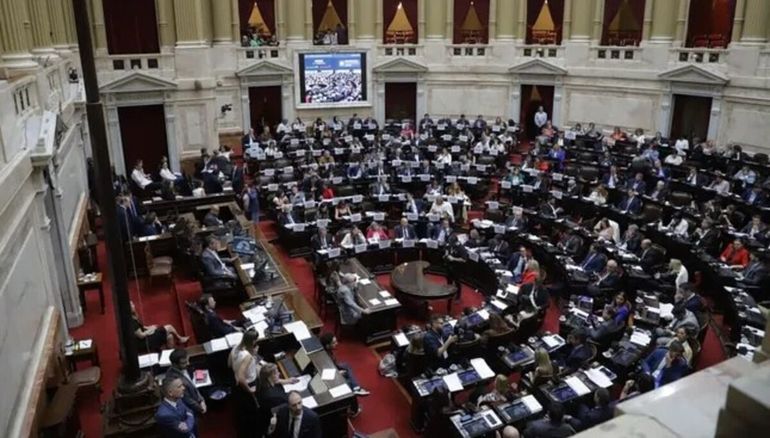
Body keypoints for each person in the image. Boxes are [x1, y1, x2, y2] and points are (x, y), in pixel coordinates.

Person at [229, 330, 261, 437]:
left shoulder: (235, 348)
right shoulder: (247, 356)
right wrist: (249, 390)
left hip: (236, 386)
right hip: (247, 385)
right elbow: (241, 377)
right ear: (253, 341)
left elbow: (229, 364)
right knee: (251, 412)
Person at [320, 333, 371, 398]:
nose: (337, 343)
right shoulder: (326, 358)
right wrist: (337, 373)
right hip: (331, 375)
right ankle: (356, 389)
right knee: (348, 381)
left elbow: (334, 364)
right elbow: (327, 373)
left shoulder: (328, 351)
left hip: (334, 367)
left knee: (346, 366)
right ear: (327, 346)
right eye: (334, 343)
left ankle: (356, 387)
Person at [166, 349, 206, 416]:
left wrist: (201, 400)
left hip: (196, 399)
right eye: (184, 362)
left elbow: (192, 385)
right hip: (190, 410)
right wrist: (200, 408)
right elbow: (187, 399)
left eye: (187, 360)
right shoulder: (173, 379)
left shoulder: (183, 368)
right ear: (175, 364)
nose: (188, 363)